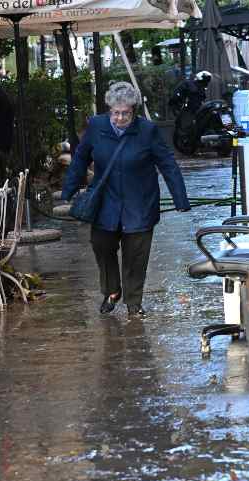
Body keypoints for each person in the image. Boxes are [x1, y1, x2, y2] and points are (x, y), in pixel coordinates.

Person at [61, 82, 191, 317]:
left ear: (134, 110)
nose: (120, 118)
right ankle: (112, 290)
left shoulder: (147, 131)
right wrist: (68, 191)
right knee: (101, 245)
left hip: (139, 201)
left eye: (126, 113)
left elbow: (167, 163)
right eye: (116, 113)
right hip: (106, 201)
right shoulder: (97, 126)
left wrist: (180, 198)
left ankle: (133, 302)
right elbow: (80, 158)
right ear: (109, 109)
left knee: (136, 254)